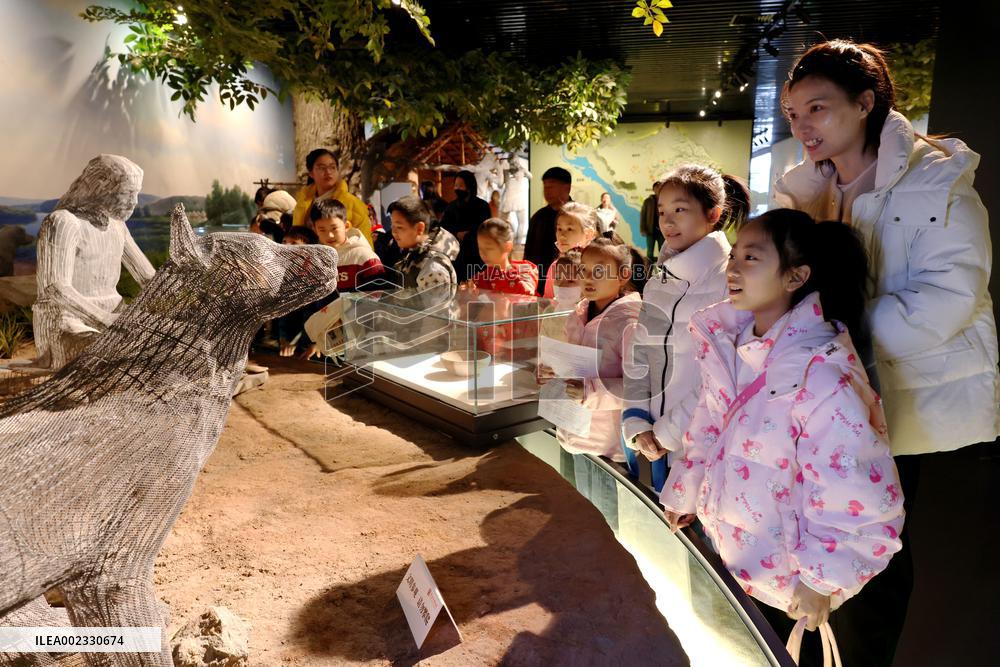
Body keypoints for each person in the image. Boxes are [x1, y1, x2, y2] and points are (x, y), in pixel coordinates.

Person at [772, 39, 999, 665]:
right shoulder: (805, 192)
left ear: (866, 102)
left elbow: (949, 296)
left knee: (873, 563)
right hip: (826, 403)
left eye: (818, 108)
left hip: (909, 407)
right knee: (815, 546)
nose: (803, 126)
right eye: (794, 114)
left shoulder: (938, 181)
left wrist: (836, 346)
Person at [662, 210, 905, 659]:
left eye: (750, 258)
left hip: (791, 585)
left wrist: (821, 580)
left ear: (796, 276)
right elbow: (708, 428)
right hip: (736, 558)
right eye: (733, 256)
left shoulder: (822, 372)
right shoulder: (730, 345)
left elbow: (856, 490)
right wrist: (684, 493)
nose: (732, 269)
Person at [622, 165, 751, 493]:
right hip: (649, 442)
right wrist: (636, 421)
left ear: (713, 214)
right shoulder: (659, 277)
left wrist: (668, 433)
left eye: (680, 209)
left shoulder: (731, 278)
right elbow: (641, 350)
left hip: (701, 444)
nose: (667, 221)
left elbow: (725, 376)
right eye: (662, 210)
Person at [540, 237, 644, 465]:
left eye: (599, 270)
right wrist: (551, 373)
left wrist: (590, 392)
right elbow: (570, 368)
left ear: (623, 275)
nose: (587, 277)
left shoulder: (631, 324)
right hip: (570, 434)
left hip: (607, 449)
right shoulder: (577, 315)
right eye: (584, 269)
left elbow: (640, 388)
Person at [291, 148, 372, 245]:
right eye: (322, 168)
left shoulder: (353, 203)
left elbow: (365, 243)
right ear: (311, 173)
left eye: (332, 167)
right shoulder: (303, 202)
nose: (328, 172)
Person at [311, 199, 385, 292]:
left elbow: (378, 296)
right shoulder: (314, 260)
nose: (330, 235)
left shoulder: (365, 257)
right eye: (322, 230)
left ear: (346, 226)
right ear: (315, 230)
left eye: (334, 228)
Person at [389, 195, 460, 290]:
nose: (393, 232)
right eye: (392, 225)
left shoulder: (433, 267)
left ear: (419, 228)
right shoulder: (414, 252)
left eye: (399, 227)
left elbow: (436, 304)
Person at [525, 167, 572, 296]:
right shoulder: (538, 218)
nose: (547, 191)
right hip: (541, 284)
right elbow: (529, 254)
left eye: (551, 187)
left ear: (567, 188)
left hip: (572, 283)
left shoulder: (578, 216)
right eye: (545, 187)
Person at [462, 218, 538, 296]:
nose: (483, 253)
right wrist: (471, 292)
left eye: (489, 248)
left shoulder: (525, 270)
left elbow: (526, 291)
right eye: (480, 248)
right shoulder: (482, 277)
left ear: (507, 246)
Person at [539, 202, 599, 299]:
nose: (562, 235)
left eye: (570, 229)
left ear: (588, 234)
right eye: (559, 229)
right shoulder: (555, 266)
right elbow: (548, 303)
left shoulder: (599, 267)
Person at [440, 170, 492, 282]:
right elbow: (444, 228)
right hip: (457, 256)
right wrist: (456, 233)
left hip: (477, 254)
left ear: (469, 186)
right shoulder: (451, 207)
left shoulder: (482, 206)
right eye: (456, 185)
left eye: (461, 185)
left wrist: (469, 234)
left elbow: (486, 228)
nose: (457, 188)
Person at [639, 180, 664, 259]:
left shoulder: (666, 201)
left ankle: (662, 269)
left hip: (662, 230)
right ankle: (648, 269)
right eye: (656, 188)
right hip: (650, 230)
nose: (658, 189)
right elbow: (643, 216)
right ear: (653, 189)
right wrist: (642, 229)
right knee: (650, 252)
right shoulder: (648, 201)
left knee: (662, 251)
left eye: (660, 188)